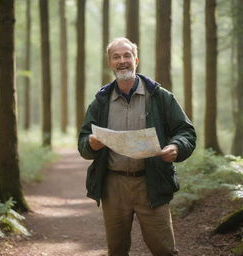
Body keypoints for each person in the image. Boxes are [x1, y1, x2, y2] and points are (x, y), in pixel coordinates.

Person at [78, 37, 196, 256]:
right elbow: (83, 142)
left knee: (164, 250)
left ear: (136, 60)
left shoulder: (159, 97)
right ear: (110, 63)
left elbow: (186, 131)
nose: (122, 61)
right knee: (117, 250)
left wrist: (177, 147)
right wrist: (91, 144)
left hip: (151, 182)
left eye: (127, 55)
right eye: (116, 57)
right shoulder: (100, 102)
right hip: (113, 186)